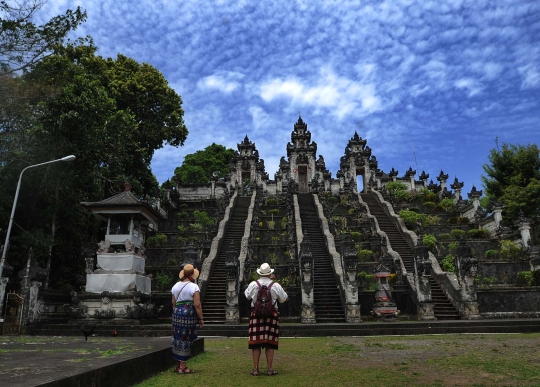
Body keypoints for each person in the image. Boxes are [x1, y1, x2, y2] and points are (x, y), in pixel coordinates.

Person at [244, 262, 288, 376]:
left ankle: (255, 369)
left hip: (256, 315)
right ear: (270, 274)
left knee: (255, 343)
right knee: (270, 343)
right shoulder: (275, 285)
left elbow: (247, 296)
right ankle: (269, 369)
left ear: (259, 273)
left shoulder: (254, 284)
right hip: (271, 315)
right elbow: (284, 299)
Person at [171, 263, 203, 374]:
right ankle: (182, 367)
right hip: (188, 314)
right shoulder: (194, 287)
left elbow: (173, 303)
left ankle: (177, 364)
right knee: (186, 338)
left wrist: (176, 312)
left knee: (177, 338)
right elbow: (197, 304)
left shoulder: (175, 286)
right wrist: (201, 318)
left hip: (177, 313)